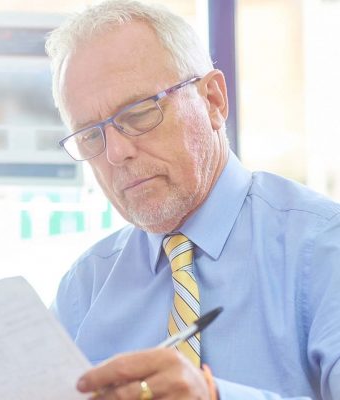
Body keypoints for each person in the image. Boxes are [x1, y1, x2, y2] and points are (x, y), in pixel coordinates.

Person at [45, 1, 340, 399]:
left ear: (213, 100)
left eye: (138, 113)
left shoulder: (323, 251)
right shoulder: (83, 289)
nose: (115, 153)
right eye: (90, 135)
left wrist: (214, 396)